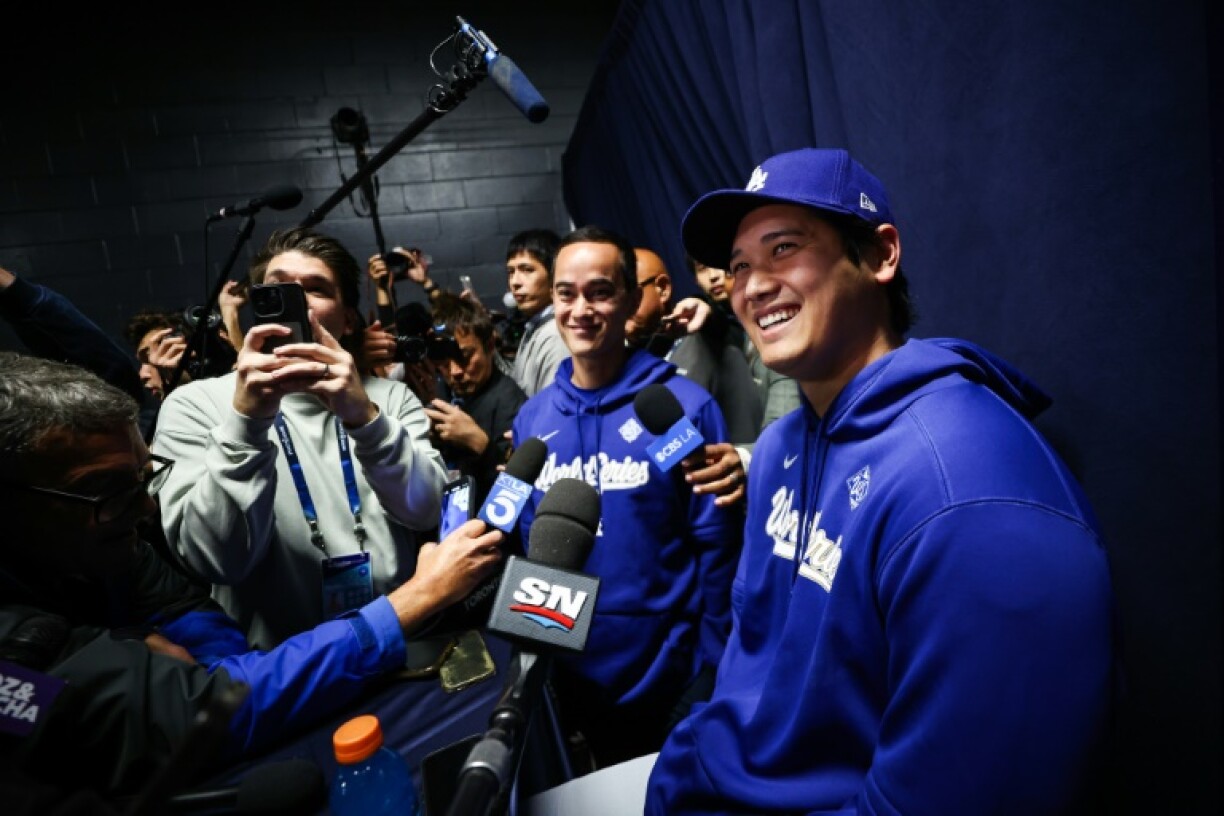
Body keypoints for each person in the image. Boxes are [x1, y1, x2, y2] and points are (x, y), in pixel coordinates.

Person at [645, 147, 1119, 814]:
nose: (752, 286)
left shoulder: (970, 492)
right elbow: (753, 671)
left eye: (784, 249)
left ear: (880, 256)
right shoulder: (783, 442)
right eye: (741, 265)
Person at [0, 351, 503, 807]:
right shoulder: (15, 645)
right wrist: (415, 600)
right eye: (105, 490)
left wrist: (208, 675)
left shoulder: (117, 539)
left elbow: (197, 632)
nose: (145, 509)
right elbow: (214, 708)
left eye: (142, 478)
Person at [511, 225, 743, 770]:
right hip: (574, 681)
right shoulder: (533, 419)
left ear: (632, 299)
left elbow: (716, 546)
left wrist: (714, 664)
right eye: (566, 293)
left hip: (672, 681)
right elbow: (533, 549)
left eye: (600, 291)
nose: (580, 309)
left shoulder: (678, 409)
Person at [152, 226, 447, 649]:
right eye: (278, 290)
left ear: (347, 319)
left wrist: (364, 418)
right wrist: (246, 421)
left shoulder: (388, 398)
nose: (297, 303)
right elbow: (218, 560)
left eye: (316, 289)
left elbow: (426, 511)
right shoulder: (195, 405)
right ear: (254, 309)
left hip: (395, 643)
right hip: (280, 667)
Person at [627, 247, 763, 446]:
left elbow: (718, 324)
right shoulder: (630, 358)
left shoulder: (706, 333)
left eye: (631, 293)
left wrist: (704, 309)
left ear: (663, 288)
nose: (621, 303)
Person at [424, 291, 527, 501]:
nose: (454, 372)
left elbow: (516, 496)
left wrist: (480, 444)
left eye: (464, 357)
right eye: (444, 362)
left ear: (489, 346)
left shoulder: (514, 405)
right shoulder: (441, 392)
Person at [689, 254, 800, 432]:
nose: (714, 276)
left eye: (737, 267)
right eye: (703, 268)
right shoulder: (710, 333)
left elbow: (783, 430)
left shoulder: (779, 327)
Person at [505, 228, 570, 396]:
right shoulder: (535, 325)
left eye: (527, 270)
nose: (515, 282)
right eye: (511, 272)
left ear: (554, 274)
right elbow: (519, 385)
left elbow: (553, 413)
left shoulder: (556, 334)